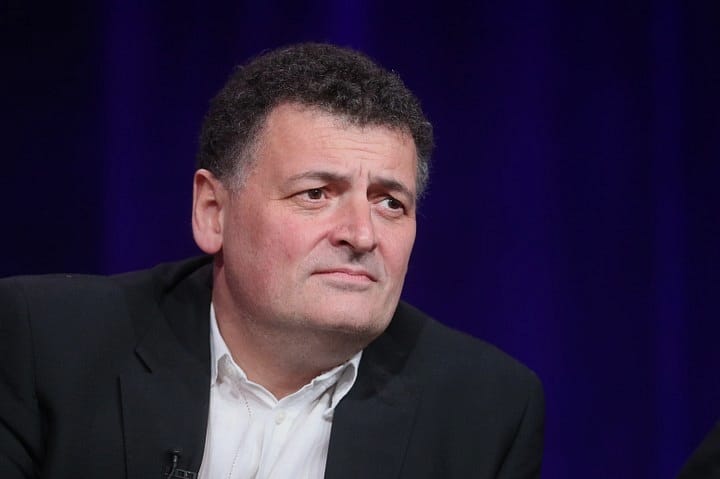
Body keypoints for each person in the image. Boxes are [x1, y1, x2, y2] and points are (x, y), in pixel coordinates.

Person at [0, 43, 544, 478]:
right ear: (213, 212)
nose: (362, 235)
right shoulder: (45, 345)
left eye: (390, 203)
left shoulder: (485, 411)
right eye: (316, 194)